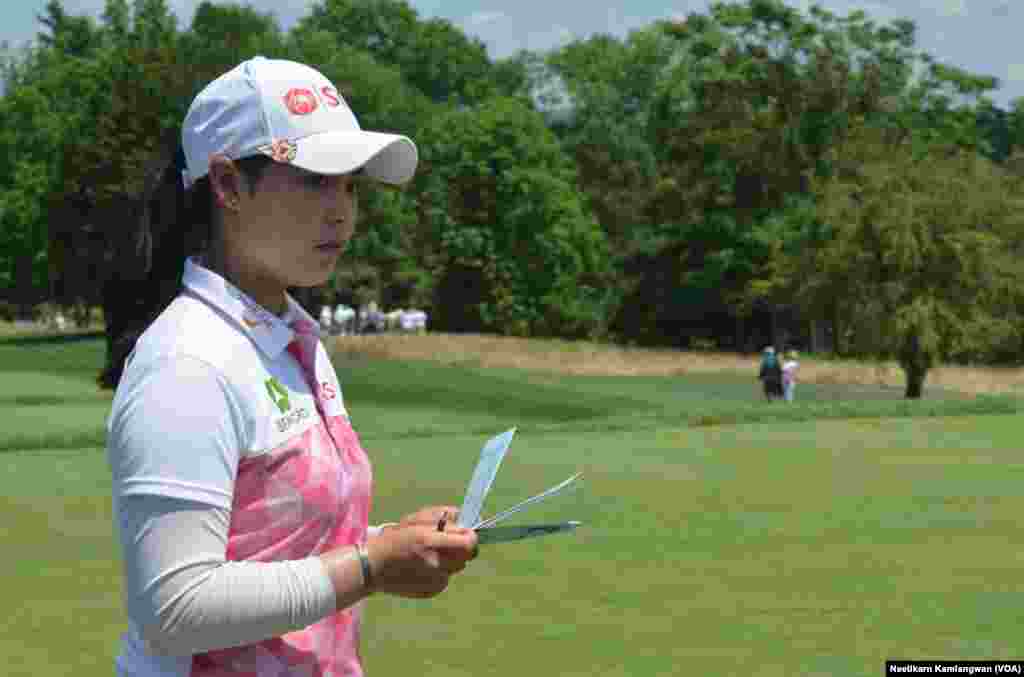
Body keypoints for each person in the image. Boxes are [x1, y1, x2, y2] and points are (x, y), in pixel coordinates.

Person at [105, 57, 478, 677]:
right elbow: (171, 608)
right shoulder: (186, 361)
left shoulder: (289, 338)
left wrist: (391, 542)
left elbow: (281, 543)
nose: (342, 211)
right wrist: (371, 565)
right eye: (314, 180)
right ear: (227, 185)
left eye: (351, 185)